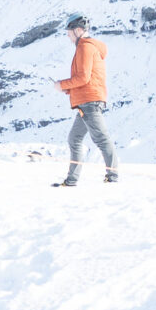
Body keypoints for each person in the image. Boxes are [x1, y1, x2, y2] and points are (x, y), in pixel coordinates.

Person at [54, 13, 117, 186]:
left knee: (101, 139)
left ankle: (113, 177)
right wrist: (67, 89)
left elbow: (83, 78)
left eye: (69, 31)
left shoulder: (85, 47)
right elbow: (84, 80)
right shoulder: (84, 46)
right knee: (74, 139)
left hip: (90, 102)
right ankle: (72, 180)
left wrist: (63, 85)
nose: (67, 34)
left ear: (78, 30)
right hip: (86, 102)